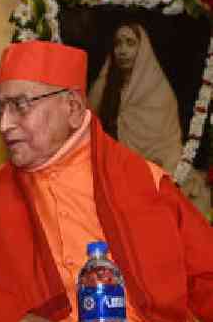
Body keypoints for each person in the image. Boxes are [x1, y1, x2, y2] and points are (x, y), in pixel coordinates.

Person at [0, 40, 213, 322]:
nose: (5, 124)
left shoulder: (146, 180)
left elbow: (207, 273)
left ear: (71, 107)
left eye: (21, 106)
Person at [88, 22, 210, 215]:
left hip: (158, 167)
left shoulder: (159, 93)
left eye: (130, 43)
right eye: (117, 44)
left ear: (143, 49)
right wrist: (105, 77)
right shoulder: (109, 87)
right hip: (115, 171)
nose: (122, 50)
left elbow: (168, 146)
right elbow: (88, 117)